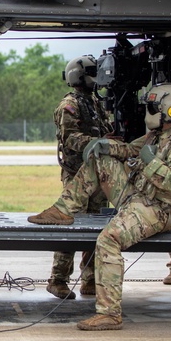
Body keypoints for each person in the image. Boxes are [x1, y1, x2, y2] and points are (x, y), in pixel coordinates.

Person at [28, 83, 171, 331]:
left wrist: (150, 163)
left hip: (159, 208)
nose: (149, 112)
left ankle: (109, 313)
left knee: (108, 240)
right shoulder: (157, 136)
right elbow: (130, 149)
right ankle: (63, 209)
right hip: (138, 196)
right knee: (100, 160)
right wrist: (105, 146)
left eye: (153, 107)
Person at [28, 55, 111, 300]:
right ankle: (58, 279)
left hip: (96, 174)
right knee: (71, 226)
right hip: (77, 176)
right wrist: (99, 143)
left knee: (97, 227)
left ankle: (90, 280)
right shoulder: (70, 105)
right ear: (78, 76)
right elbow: (70, 139)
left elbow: (102, 128)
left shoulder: (93, 103)